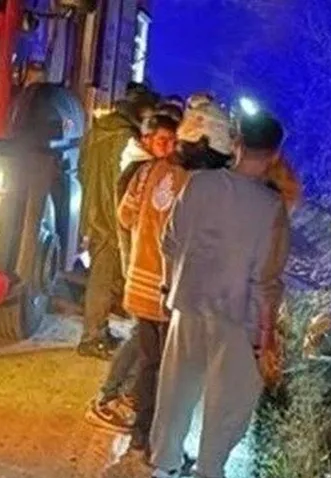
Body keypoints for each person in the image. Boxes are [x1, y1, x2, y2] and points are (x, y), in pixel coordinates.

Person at [148, 112, 291, 478]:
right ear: (275, 154)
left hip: (187, 303)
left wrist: (168, 289)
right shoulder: (270, 207)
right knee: (229, 399)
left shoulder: (198, 184)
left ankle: (163, 466)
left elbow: (169, 242)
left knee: (176, 388)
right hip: (236, 314)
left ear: (237, 143)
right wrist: (266, 336)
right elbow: (267, 279)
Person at [119, 102, 236, 452]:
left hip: (141, 289)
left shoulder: (145, 172)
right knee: (178, 374)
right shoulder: (204, 185)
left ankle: (141, 433)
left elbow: (125, 217)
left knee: (149, 364)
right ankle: (163, 445)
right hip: (178, 296)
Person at [84, 110, 182, 434]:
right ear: (147, 139)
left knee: (144, 341)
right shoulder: (146, 171)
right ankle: (109, 398)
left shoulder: (146, 169)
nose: (169, 147)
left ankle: (123, 397)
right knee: (143, 341)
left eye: (173, 141)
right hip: (146, 275)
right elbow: (124, 218)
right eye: (163, 140)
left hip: (144, 273)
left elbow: (127, 217)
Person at [77, 87, 157, 358]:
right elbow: (123, 182)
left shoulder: (99, 130)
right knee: (103, 277)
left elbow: (82, 168)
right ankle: (92, 337)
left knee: (101, 274)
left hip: (94, 210)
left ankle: (98, 330)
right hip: (112, 217)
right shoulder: (125, 138)